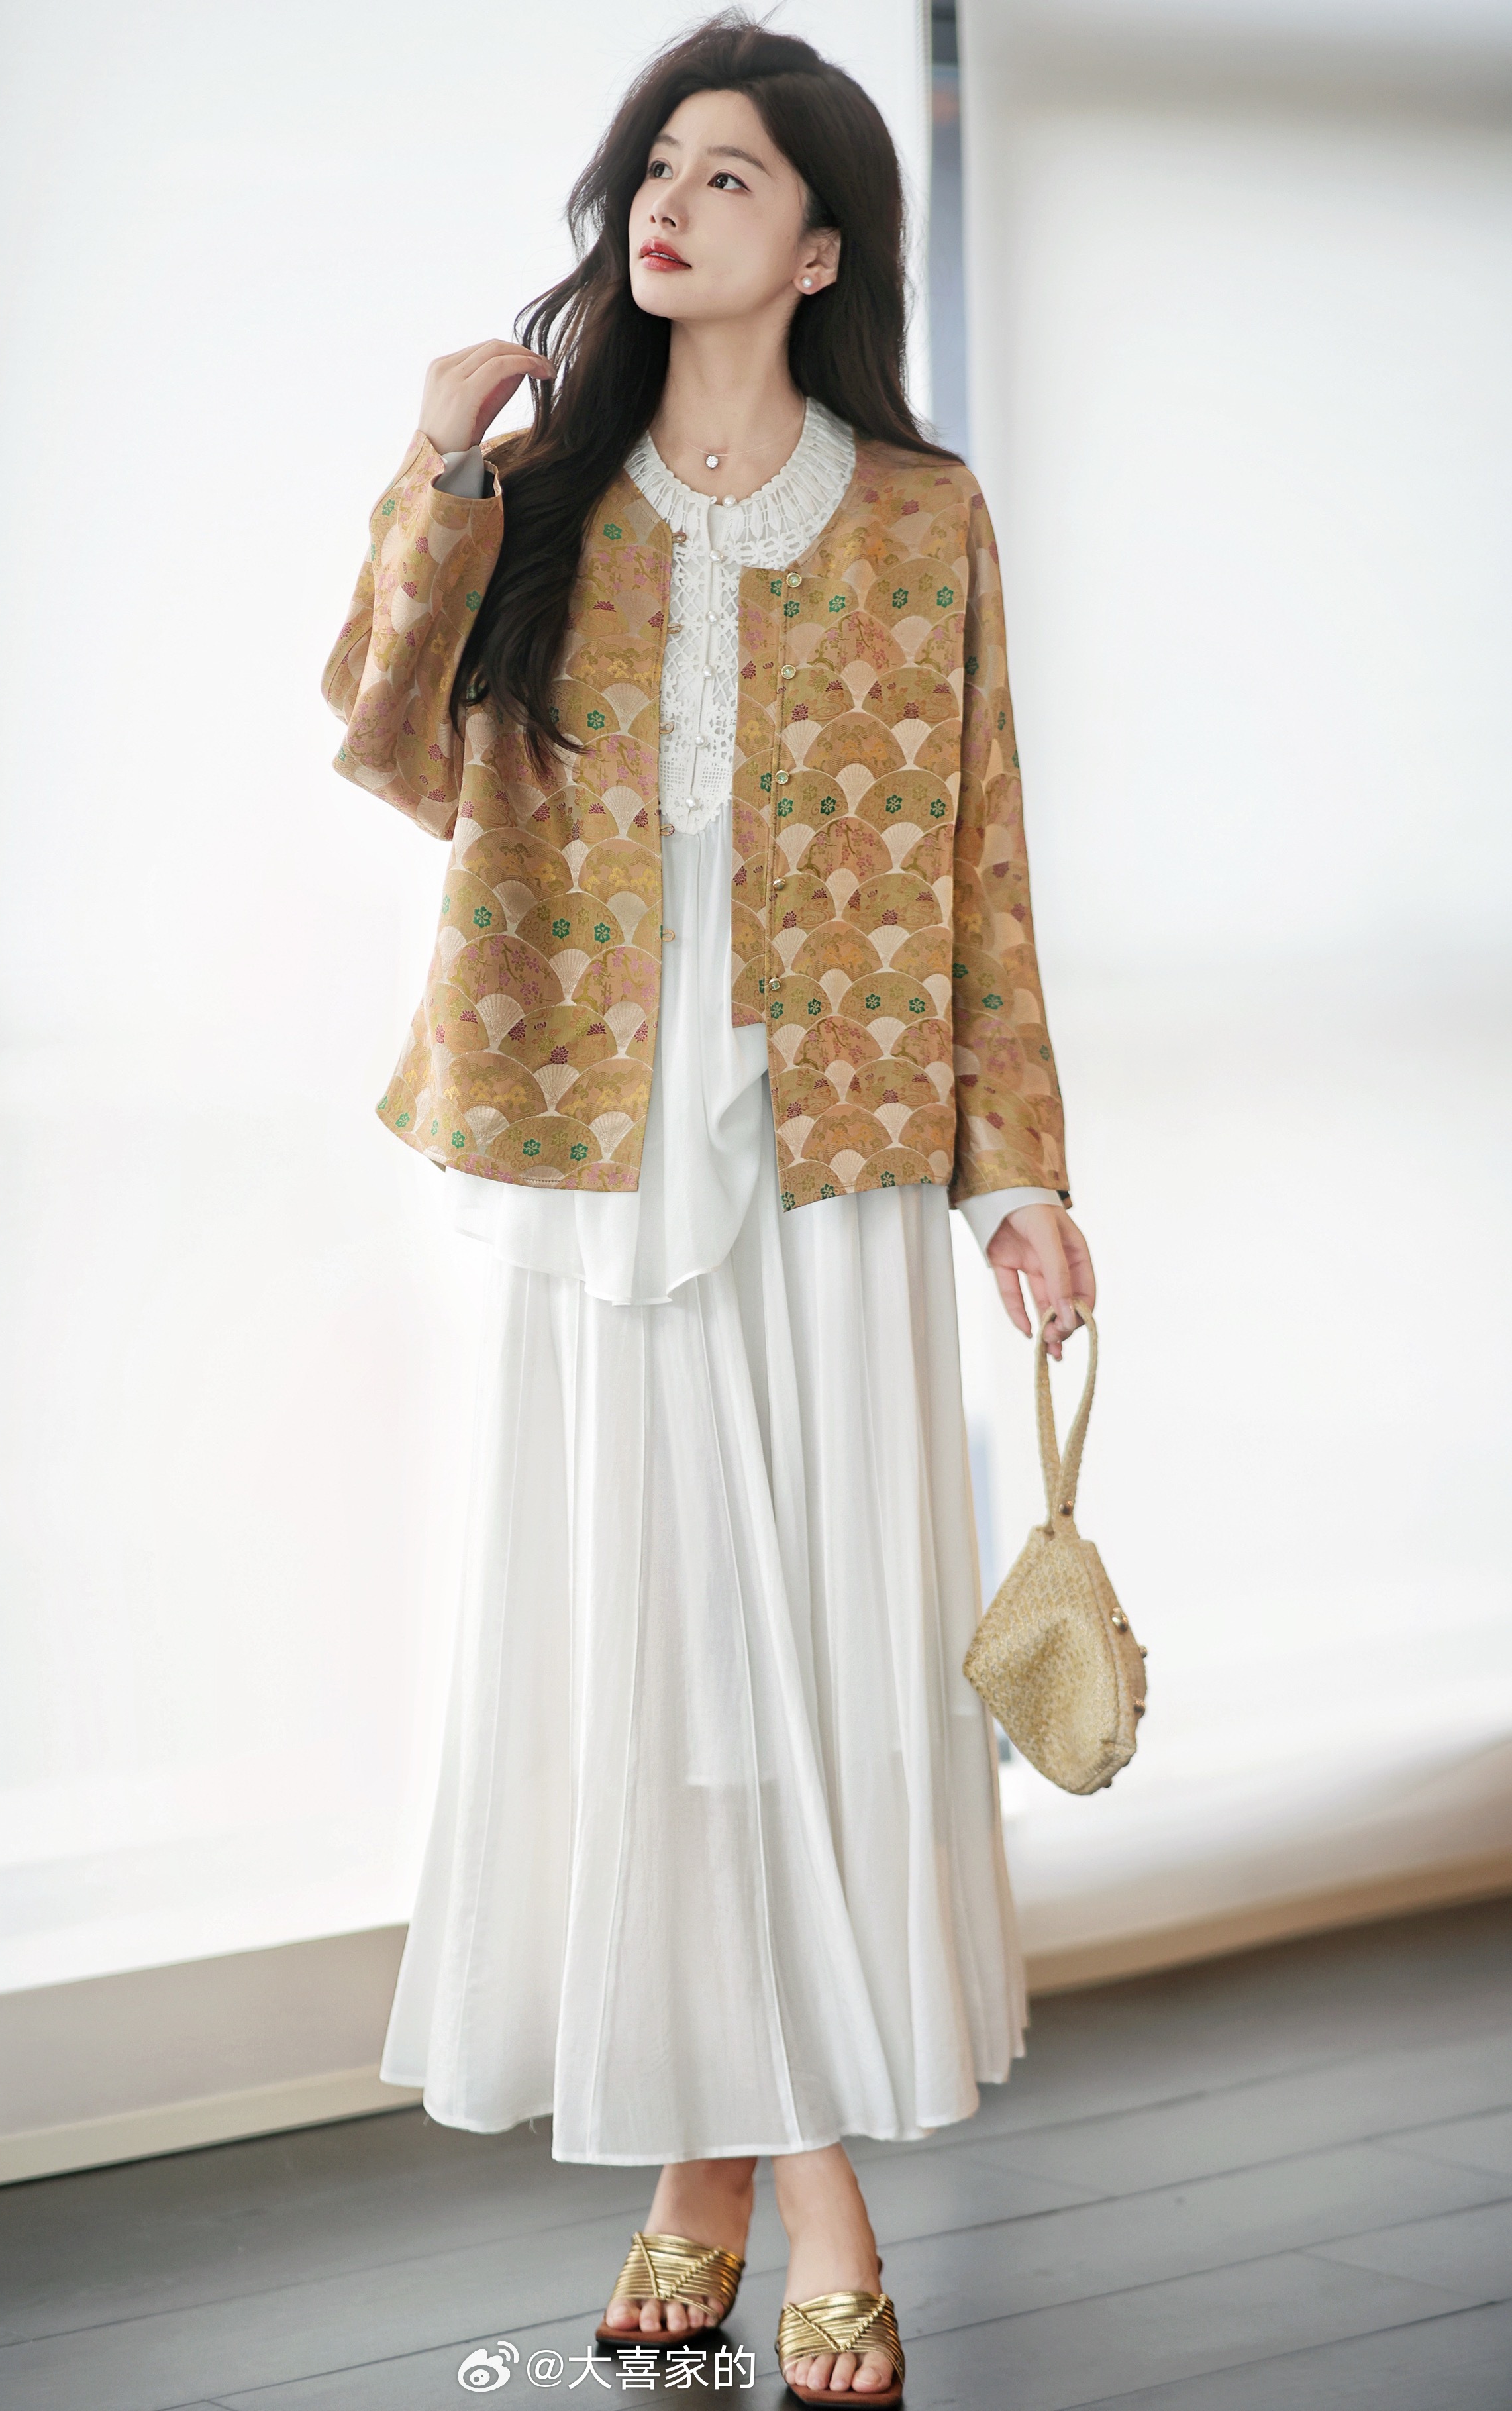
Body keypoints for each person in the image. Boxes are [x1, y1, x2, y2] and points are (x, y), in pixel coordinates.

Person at [322, 16, 1094, 2402]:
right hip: (589, 1146)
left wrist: (1018, 1169)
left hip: (834, 1156)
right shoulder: (540, 491)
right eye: (655, 167)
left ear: (823, 246)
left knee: (808, 1668)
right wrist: (440, 465)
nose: (668, 204)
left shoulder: (921, 517)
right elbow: (384, 738)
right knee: (663, 1661)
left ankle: (725, 2180)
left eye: (729, 174)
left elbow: (977, 855)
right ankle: (785, 2184)